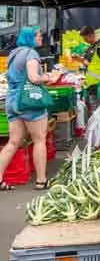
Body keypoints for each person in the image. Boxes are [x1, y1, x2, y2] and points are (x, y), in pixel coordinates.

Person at [0, 27, 58, 190]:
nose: (40, 38)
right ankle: (41, 180)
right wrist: (48, 77)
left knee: (13, 142)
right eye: (38, 36)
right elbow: (33, 78)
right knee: (39, 139)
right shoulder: (31, 54)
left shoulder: (14, 53)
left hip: (12, 101)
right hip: (28, 101)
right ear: (30, 38)